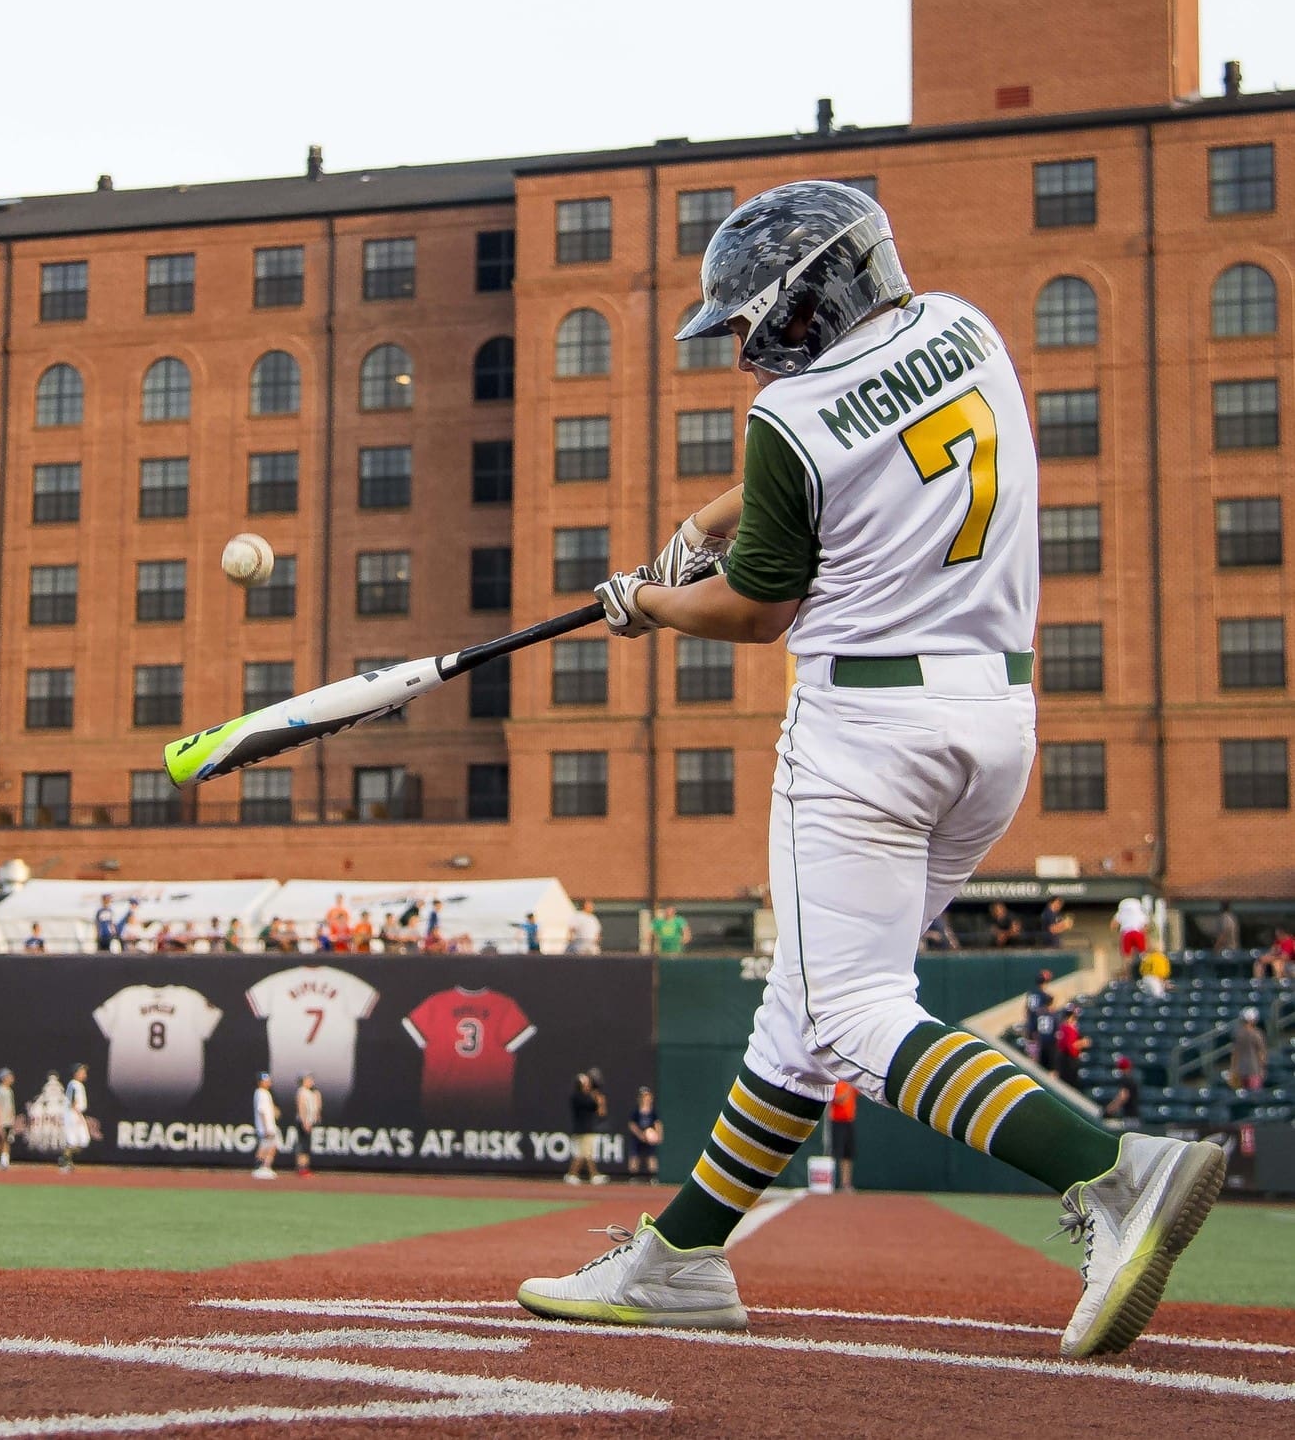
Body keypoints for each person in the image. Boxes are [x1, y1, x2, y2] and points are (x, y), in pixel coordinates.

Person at [516, 180, 1223, 1360]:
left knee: (849, 1014)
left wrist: (649, 601)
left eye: (755, 320)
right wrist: (703, 519)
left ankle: (1113, 1169)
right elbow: (854, 454)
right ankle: (679, 1259)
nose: (748, 344)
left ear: (805, 299)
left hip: (864, 734)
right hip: (993, 720)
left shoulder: (790, 415)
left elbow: (754, 609)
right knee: (801, 1015)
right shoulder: (965, 327)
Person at [566, 1070, 607, 1186]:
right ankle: (578, 1175)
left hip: (586, 1129)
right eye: (585, 1083)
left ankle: (577, 1175)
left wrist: (599, 1099)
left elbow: (601, 1112)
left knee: (585, 1154)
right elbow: (594, 1105)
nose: (588, 1085)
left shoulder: (586, 1096)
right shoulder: (578, 1097)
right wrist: (597, 1098)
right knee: (585, 1154)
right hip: (582, 1130)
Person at [828, 1080, 859, 1192]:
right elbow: (838, 1099)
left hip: (849, 1121)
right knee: (837, 1151)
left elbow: (858, 1092)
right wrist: (848, 1089)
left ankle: (846, 1183)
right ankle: (829, 1182)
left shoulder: (850, 1084)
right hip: (837, 1121)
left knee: (848, 1153)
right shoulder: (836, 1084)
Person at [59, 1064, 91, 1174]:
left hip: (75, 1113)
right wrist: (78, 1116)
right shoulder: (74, 1084)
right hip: (73, 1114)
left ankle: (65, 1159)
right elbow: (72, 1102)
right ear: (76, 1073)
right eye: (82, 1071)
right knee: (76, 1141)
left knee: (83, 1141)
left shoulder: (78, 1084)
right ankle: (64, 1162)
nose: (84, 1074)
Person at [625, 1087, 661, 1179]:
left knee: (651, 1156)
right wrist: (640, 1134)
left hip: (649, 1138)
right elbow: (632, 1124)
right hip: (638, 1137)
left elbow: (657, 1123)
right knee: (634, 1156)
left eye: (648, 1096)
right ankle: (633, 1176)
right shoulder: (636, 1111)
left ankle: (653, 1177)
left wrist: (658, 1135)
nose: (646, 1098)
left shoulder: (653, 1112)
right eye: (644, 1096)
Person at [251, 1072, 281, 1181]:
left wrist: (275, 1110)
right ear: (260, 1082)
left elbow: (269, 1108)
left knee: (272, 1147)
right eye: (265, 1080)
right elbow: (262, 1111)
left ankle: (266, 1167)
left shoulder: (266, 1093)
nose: (268, 1082)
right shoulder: (260, 1093)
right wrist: (265, 1127)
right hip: (265, 1127)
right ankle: (258, 1168)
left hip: (270, 1125)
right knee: (264, 1148)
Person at [1230, 1007, 1268, 1093]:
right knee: (1254, 1097)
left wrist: (1233, 1070)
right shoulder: (1256, 1034)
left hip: (1241, 1070)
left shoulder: (1238, 1034)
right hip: (1254, 1070)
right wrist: (1262, 1069)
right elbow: (1261, 1053)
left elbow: (1234, 1054)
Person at [1054, 1005, 1089, 1090]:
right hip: (1068, 1060)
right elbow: (1070, 1047)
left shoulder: (1064, 1028)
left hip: (1064, 1059)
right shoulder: (1067, 1029)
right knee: (1068, 1086)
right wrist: (1082, 1043)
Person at [293, 1073, 322, 1176]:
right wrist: (304, 1121)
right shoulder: (302, 1091)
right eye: (309, 1080)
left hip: (309, 1121)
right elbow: (301, 1107)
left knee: (307, 1145)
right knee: (303, 1145)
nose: (311, 1082)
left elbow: (317, 1106)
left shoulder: (312, 1092)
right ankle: (301, 1167)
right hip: (303, 1122)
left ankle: (306, 1167)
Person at [1114, 898, 1150, 975]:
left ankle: (1128, 974)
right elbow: (1146, 927)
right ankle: (1145, 972)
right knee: (1144, 955)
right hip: (1138, 933)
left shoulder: (1121, 913)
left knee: (1127, 957)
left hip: (1126, 934)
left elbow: (1113, 925)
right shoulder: (1140, 913)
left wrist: (1118, 933)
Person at [0, 1069, 18, 1169]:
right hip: (1, 1120)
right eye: (9, 1076)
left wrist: (12, 1119)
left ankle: (5, 1160)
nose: (11, 1078)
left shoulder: (10, 1091)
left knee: (7, 1140)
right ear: (4, 1078)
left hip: (8, 1121)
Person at [1104, 1056, 1140, 1126]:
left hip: (1130, 1118)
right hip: (1134, 1116)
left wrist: (1109, 1110)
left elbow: (1123, 1097)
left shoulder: (1126, 1080)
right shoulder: (1131, 1080)